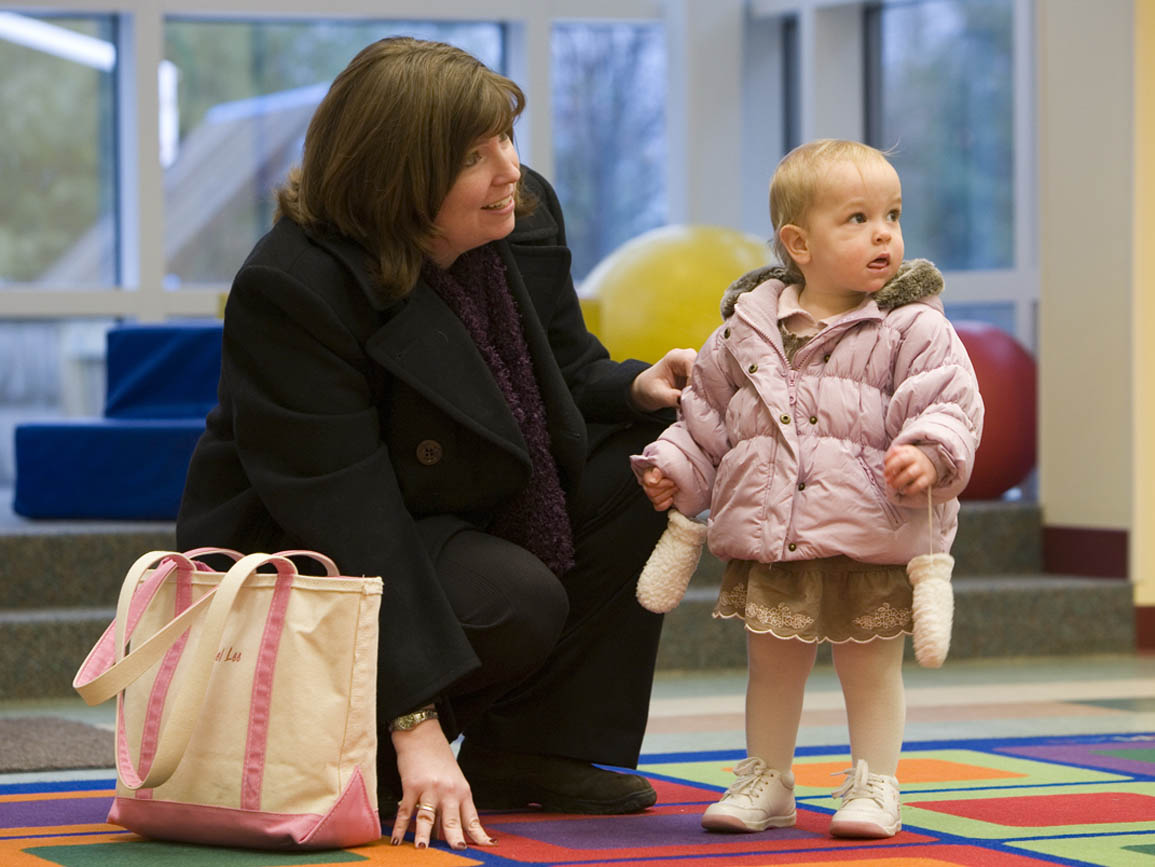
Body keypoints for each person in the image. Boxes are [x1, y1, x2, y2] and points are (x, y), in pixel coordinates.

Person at [176, 37, 695, 852]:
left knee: (659, 455)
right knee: (511, 594)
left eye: (506, 141)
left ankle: (528, 751)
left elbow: (559, 366)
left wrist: (637, 389)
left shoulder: (517, 216)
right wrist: (411, 721)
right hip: (311, 547)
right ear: (399, 178)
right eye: (474, 156)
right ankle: (371, 756)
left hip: (453, 506)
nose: (509, 171)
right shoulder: (295, 283)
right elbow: (343, 513)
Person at [633, 139, 983, 839]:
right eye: (855, 218)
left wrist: (927, 451)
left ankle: (874, 780)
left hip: (870, 532)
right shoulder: (743, 333)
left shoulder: (913, 326)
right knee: (771, 664)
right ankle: (768, 775)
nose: (883, 231)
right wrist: (674, 465)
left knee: (869, 667)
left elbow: (946, 404)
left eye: (891, 213)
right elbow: (706, 417)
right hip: (774, 530)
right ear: (798, 243)